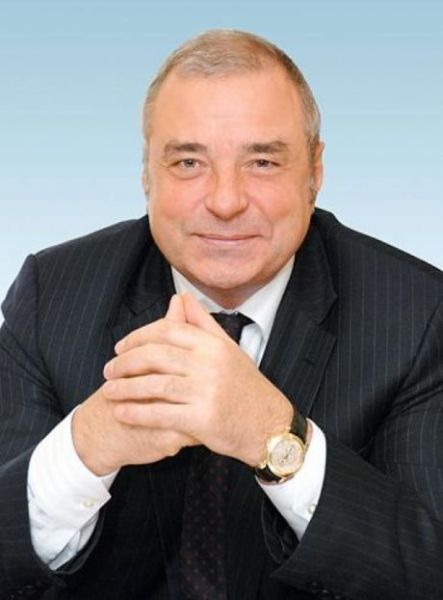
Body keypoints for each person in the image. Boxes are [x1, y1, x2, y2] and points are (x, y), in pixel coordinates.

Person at [0, 29, 442, 600]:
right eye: (189, 162)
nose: (226, 201)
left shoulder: (417, 313)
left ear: (314, 172)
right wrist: (86, 448)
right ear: (146, 174)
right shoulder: (52, 296)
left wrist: (275, 438)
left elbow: (428, 568)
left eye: (262, 161)